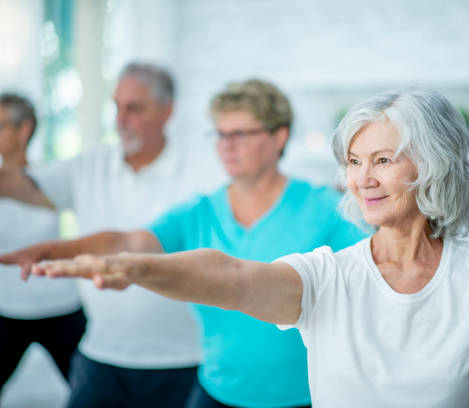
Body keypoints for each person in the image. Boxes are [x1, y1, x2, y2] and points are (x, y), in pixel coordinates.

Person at [1, 79, 366, 408]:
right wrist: (54, 249)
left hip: (301, 396)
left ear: (278, 137)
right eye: (221, 135)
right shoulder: (200, 211)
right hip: (216, 391)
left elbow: (376, 270)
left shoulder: (322, 207)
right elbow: (130, 239)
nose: (227, 146)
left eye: (240, 134)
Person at [0, 63, 224, 407]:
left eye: (134, 109)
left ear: (167, 111)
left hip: (182, 360)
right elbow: (25, 186)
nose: (120, 119)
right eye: (117, 107)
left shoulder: (205, 169)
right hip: (101, 357)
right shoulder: (91, 164)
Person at [0, 93, 86, 397]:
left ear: (24, 130)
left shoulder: (52, 178)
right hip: (7, 309)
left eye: (1, 126)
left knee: (88, 391)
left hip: (60, 306)